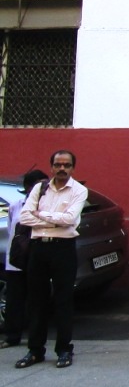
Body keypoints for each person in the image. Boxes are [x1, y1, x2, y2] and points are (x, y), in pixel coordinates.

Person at [14, 150, 87, 369]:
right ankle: (35, 350)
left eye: (66, 165)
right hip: (38, 248)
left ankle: (64, 349)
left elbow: (70, 219)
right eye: (58, 164)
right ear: (51, 167)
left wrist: (41, 216)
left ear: (73, 168)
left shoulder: (79, 190)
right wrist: (54, 221)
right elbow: (24, 217)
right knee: (36, 300)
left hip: (63, 249)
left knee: (64, 300)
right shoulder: (40, 188)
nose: (62, 168)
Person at [2, 169, 50, 350]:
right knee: (15, 299)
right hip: (16, 260)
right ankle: (12, 335)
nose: (45, 189)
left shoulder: (47, 207)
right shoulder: (16, 206)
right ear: (29, 188)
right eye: (40, 185)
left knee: (37, 299)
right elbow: (11, 230)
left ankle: (36, 337)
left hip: (38, 259)